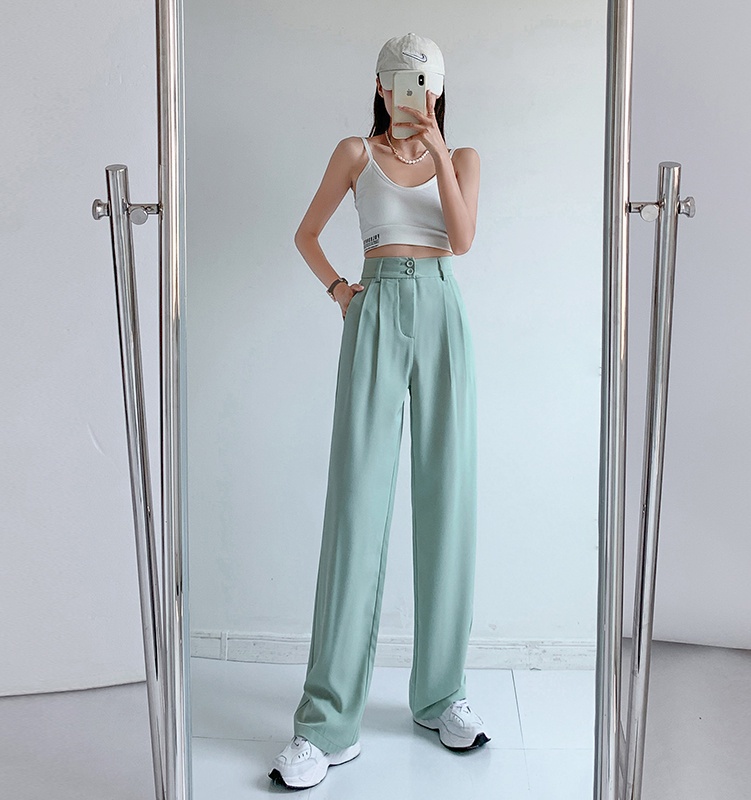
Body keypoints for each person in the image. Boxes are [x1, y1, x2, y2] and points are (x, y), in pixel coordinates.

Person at [269, 32, 488, 790]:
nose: (409, 93)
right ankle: (325, 724)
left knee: (447, 500)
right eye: (398, 80)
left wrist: (438, 149)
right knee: (357, 506)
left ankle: (442, 696)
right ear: (380, 85)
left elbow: (461, 239)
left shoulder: (463, 159)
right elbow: (305, 233)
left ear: (438, 88)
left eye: (421, 82)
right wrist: (340, 290)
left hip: (442, 311)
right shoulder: (355, 154)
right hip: (375, 308)